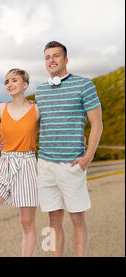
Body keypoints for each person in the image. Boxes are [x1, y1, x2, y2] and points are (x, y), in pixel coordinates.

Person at [36, 41, 103, 257]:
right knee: (53, 219)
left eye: (56, 56)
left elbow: (97, 124)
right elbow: (36, 126)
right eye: (48, 57)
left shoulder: (84, 85)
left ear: (65, 60)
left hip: (72, 164)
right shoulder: (40, 90)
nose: (51, 60)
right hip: (45, 164)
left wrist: (88, 156)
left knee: (77, 219)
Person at [0, 68, 40, 257]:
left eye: (14, 80)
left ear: (25, 85)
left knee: (27, 223)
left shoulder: (36, 108)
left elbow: (51, 126)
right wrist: (1, 132)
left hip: (27, 164)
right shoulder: (1, 108)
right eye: (6, 82)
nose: (10, 84)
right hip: (5, 164)